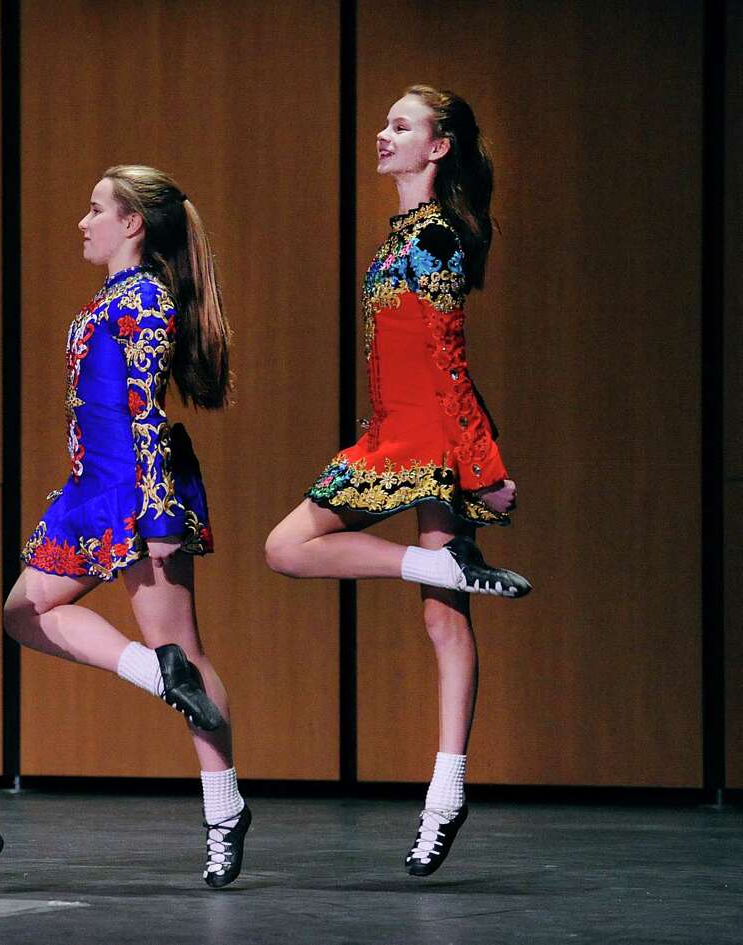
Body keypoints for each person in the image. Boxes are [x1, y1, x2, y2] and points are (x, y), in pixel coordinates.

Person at [264, 86, 531, 877]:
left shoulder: (438, 238)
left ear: (437, 147)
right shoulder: (403, 237)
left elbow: (449, 361)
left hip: (437, 439)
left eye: (401, 125)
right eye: (385, 123)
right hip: (390, 436)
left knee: (444, 625)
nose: (383, 134)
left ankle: (445, 794)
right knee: (286, 547)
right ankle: (438, 564)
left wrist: (480, 466)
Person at [4, 166, 249, 888]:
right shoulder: (114, 296)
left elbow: (144, 410)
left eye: (94, 209)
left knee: (187, 649)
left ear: (132, 223)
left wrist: (161, 514)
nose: (83, 221)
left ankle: (224, 809)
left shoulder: (144, 297)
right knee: (24, 611)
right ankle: (153, 673)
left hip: (136, 492)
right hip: (91, 490)